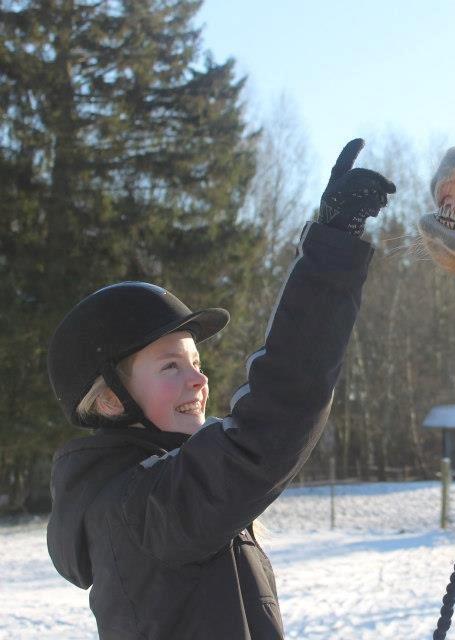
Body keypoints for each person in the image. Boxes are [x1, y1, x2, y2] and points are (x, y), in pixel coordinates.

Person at [45, 139, 395, 639]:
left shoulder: (147, 494)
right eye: (170, 366)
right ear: (108, 399)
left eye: (196, 362)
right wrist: (333, 248)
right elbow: (272, 420)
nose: (199, 380)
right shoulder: (142, 507)